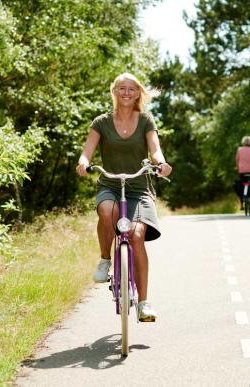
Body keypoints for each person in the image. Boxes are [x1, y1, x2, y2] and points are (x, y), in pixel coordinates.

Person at [76, 72, 172, 322]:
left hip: (139, 187)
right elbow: (87, 151)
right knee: (107, 210)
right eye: (122, 88)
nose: (127, 92)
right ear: (114, 92)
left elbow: (155, 149)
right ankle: (105, 260)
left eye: (132, 89)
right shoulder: (101, 122)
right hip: (110, 182)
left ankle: (143, 303)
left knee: (137, 235)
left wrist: (160, 163)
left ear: (138, 93)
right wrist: (83, 163)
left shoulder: (146, 120)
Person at [235, 136, 250, 210]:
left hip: (242, 171)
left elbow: (237, 160)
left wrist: (238, 167)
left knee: (240, 184)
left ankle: (241, 203)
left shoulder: (239, 149)